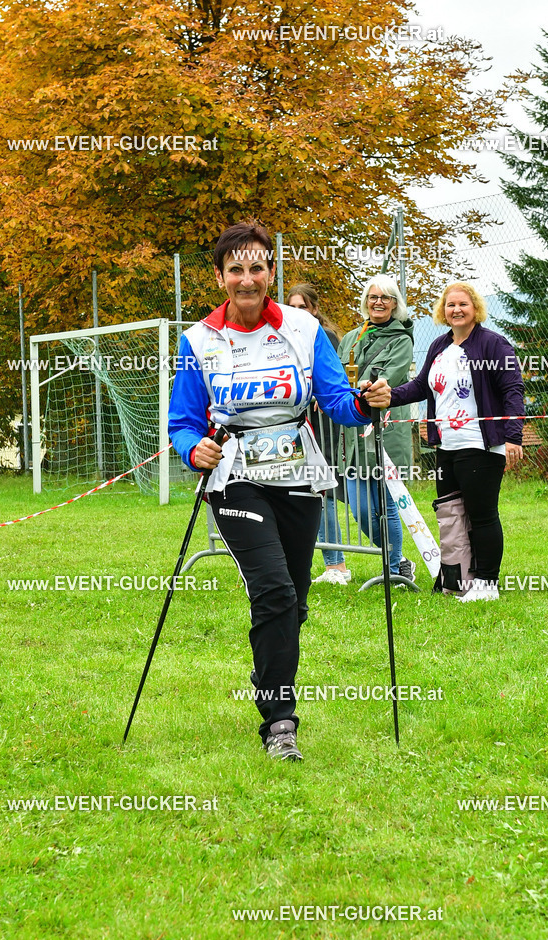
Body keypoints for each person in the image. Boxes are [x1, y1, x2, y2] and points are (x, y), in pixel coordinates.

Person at [168, 221, 378, 762]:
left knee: (294, 601)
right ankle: (280, 722)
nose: (247, 279)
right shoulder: (198, 341)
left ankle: (268, 673)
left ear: (270, 273)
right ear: (220, 277)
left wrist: (364, 403)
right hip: (235, 478)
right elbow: (183, 422)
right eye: (235, 269)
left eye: (256, 268)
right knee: (275, 592)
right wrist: (194, 450)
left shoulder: (304, 329)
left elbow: (337, 401)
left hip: (298, 476)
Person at [366, 281, 525, 602]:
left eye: (463, 304)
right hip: (446, 446)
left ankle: (487, 584)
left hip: (481, 446)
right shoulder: (439, 345)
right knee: (451, 515)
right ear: (443, 310)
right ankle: (456, 580)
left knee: (481, 515)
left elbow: (513, 390)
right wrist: (388, 396)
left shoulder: (493, 345)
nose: (456, 310)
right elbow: (420, 387)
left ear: (475, 308)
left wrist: (513, 437)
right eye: (450, 305)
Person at [337, 275, 416, 582]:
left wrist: (352, 391)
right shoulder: (351, 337)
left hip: (385, 431)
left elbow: (388, 378)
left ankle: (394, 570)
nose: (378, 302)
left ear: (395, 304)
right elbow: (336, 376)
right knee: (359, 510)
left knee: (385, 506)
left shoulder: (402, 339)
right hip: (353, 434)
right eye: (373, 297)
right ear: (365, 302)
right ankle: (400, 559)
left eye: (385, 297)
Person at [287, 282, 350, 585]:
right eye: (292, 307)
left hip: (321, 427)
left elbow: (330, 383)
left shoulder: (325, 336)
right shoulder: (282, 337)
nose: (298, 312)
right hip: (291, 429)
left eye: (303, 307)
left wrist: (315, 394)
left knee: (321, 492)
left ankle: (336, 564)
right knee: (298, 493)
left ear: (314, 309)